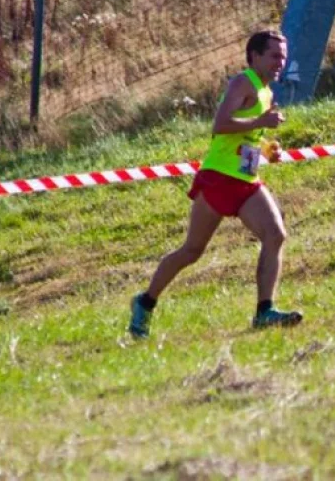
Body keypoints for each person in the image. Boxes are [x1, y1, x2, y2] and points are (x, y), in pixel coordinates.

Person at [128, 30, 302, 338]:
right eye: (275, 55)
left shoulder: (266, 92)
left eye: (283, 56)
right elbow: (220, 125)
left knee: (275, 235)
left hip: (246, 179)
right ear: (255, 56)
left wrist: (265, 148)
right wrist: (261, 123)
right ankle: (145, 302)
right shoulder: (242, 82)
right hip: (220, 177)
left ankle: (265, 312)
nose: (281, 62)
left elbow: (245, 135)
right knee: (192, 251)